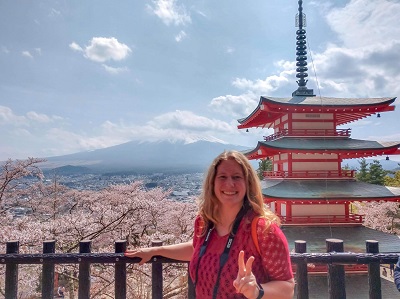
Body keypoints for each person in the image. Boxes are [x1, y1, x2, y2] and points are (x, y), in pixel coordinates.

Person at [125, 150, 295, 298]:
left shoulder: (263, 230)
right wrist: (157, 250)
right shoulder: (204, 223)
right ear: (212, 183)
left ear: (248, 183)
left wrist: (257, 291)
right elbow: (197, 249)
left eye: (237, 177)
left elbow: (287, 288)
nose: (229, 184)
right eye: (222, 177)